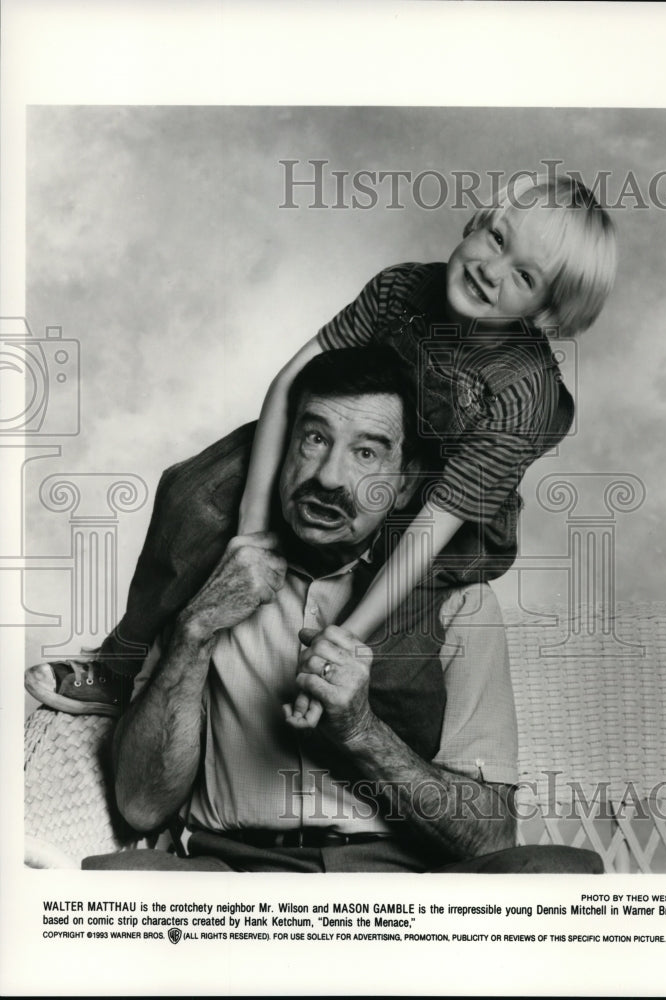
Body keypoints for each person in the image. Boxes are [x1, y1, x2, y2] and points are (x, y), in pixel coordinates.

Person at [25, 172, 616, 719]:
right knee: (194, 491)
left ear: (544, 313)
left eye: (525, 276)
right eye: (497, 237)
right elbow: (291, 384)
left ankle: (377, 768)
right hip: (361, 447)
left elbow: (438, 521)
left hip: (450, 508)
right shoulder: (401, 290)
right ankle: (120, 667)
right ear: (475, 223)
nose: (492, 268)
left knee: (397, 620)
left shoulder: (522, 392)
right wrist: (249, 535)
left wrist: (347, 638)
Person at [82, 347, 602, 873]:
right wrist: (195, 629)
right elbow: (141, 806)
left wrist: (360, 732)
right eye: (314, 439)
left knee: (556, 872)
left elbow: (490, 835)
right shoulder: (204, 581)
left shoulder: (459, 600)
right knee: (113, 881)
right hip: (238, 878)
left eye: (367, 453)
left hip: (403, 889)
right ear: (281, 451)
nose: (329, 477)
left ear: (404, 484)